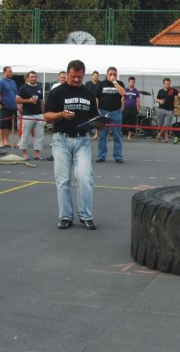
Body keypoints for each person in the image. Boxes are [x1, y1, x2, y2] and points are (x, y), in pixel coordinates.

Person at [44, 59, 102, 230]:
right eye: (73, 76)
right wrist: (61, 115)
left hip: (82, 140)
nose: (76, 80)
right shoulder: (57, 92)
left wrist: (99, 123)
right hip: (61, 140)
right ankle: (65, 216)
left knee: (85, 178)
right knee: (63, 181)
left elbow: (94, 116)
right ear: (67, 74)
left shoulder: (89, 93)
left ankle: (86, 216)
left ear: (84, 75)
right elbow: (47, 116)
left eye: (79, 77)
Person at [95, 67, 126, 163]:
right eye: (110, 74)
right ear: (107, 75)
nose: (112, 76)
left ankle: (118, 156)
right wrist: (97, 110)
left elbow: (123, 93)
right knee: (102, 136)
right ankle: (101, 156)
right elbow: (96, 97)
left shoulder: (119, 83)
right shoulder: (102, 84)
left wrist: (115, 82)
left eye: (114, 74)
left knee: (117, 136)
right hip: (104, 112)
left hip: (116, 112)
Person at [16, 71, 45, 160]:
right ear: (28, 78)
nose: (33, 78)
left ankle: (37, 154)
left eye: (35, 77)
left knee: (39, 135)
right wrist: (28, 101)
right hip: (28, 115)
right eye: (31, 77)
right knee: (25, 135)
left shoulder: (39, 88)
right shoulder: (23, 88)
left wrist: (43, 113)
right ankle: (24, 154)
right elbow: (17, 100)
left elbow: (42, 101)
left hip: (39, 115)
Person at [155, 77, 180, 143]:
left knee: (166, 124)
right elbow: (157, 99)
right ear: (163, 84)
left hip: (169, 110)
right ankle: (165, 138)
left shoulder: (172, 90)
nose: (167, 85)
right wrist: (160, 101)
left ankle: (159, 135)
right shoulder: (160, 91)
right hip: (161, 109)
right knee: (160, 124)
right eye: (166, 84)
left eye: (168, 84)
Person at [0, 66, 18, 148]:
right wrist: (0, 103)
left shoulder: (13, 82)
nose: (11, 73)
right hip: (4, 106)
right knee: (2, 125)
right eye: (9, 71)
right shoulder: (1, 81)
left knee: (9, 125)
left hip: (13, 106)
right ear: (4, 72)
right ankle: (1, 142)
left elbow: (15, 93)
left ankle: (6, 141)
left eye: (11, 71)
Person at [123, 76, 140, 141]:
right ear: (128, 82)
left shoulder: (136, 91)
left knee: (132, 123)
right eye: (131, 82)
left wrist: (137, 109)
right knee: (123, 122)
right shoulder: (125, 90)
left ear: (134, 82)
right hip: (125, 109)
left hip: (133, 110)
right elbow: (122, 99)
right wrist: (122, 108)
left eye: (133, 82)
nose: (132, 83)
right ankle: (123, 133)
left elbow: (138, 101)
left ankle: (129, 136)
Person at [85, 70, 101, 140]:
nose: (96, 77)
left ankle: (96, 134)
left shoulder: (100, 83)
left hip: (98, 104)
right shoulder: (87, 83)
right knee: (87, 118)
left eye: (97, 76)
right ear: (92, 76)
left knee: (97, 118)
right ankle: (87, 131)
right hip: (88, 103)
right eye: (95, 76)